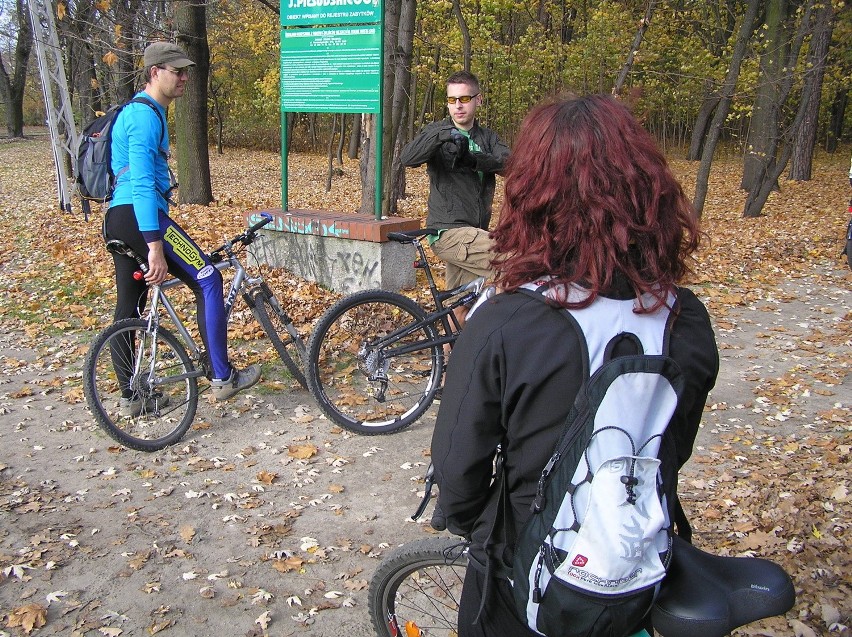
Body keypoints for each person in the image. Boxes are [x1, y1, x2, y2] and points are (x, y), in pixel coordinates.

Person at [430, 93, 720, 637]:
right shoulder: (686, 320)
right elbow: (673, 444)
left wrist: (481, 525)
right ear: (649, 191)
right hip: (635, 564)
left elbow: (457, 470)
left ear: (530, 195)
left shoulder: (504, 322)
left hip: (523, 574)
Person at [104, 41, 260, 415]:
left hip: (117, 219)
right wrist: (154, 243)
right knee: (207, 277)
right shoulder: (144, 116)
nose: (185, 77)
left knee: (128, 309)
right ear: (155, 73)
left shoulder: (138, 113)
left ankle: (133, 397)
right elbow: (141, 182)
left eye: (186, 71)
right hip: (141, 218)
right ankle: (223, 377)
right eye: (177, 71)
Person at [400, 71, 510, 325]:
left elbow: (510, 164)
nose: (458, 106)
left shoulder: (488, 138)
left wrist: (472, 158)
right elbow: (408, 158)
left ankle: (450, 359)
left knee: (460, 307)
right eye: (452, 100)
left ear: (478, 100)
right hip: (448, 232)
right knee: (514, 264)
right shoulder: (437, 132)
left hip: (473, 233)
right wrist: (444, 136)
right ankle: (500, 335)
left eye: (464, 99)